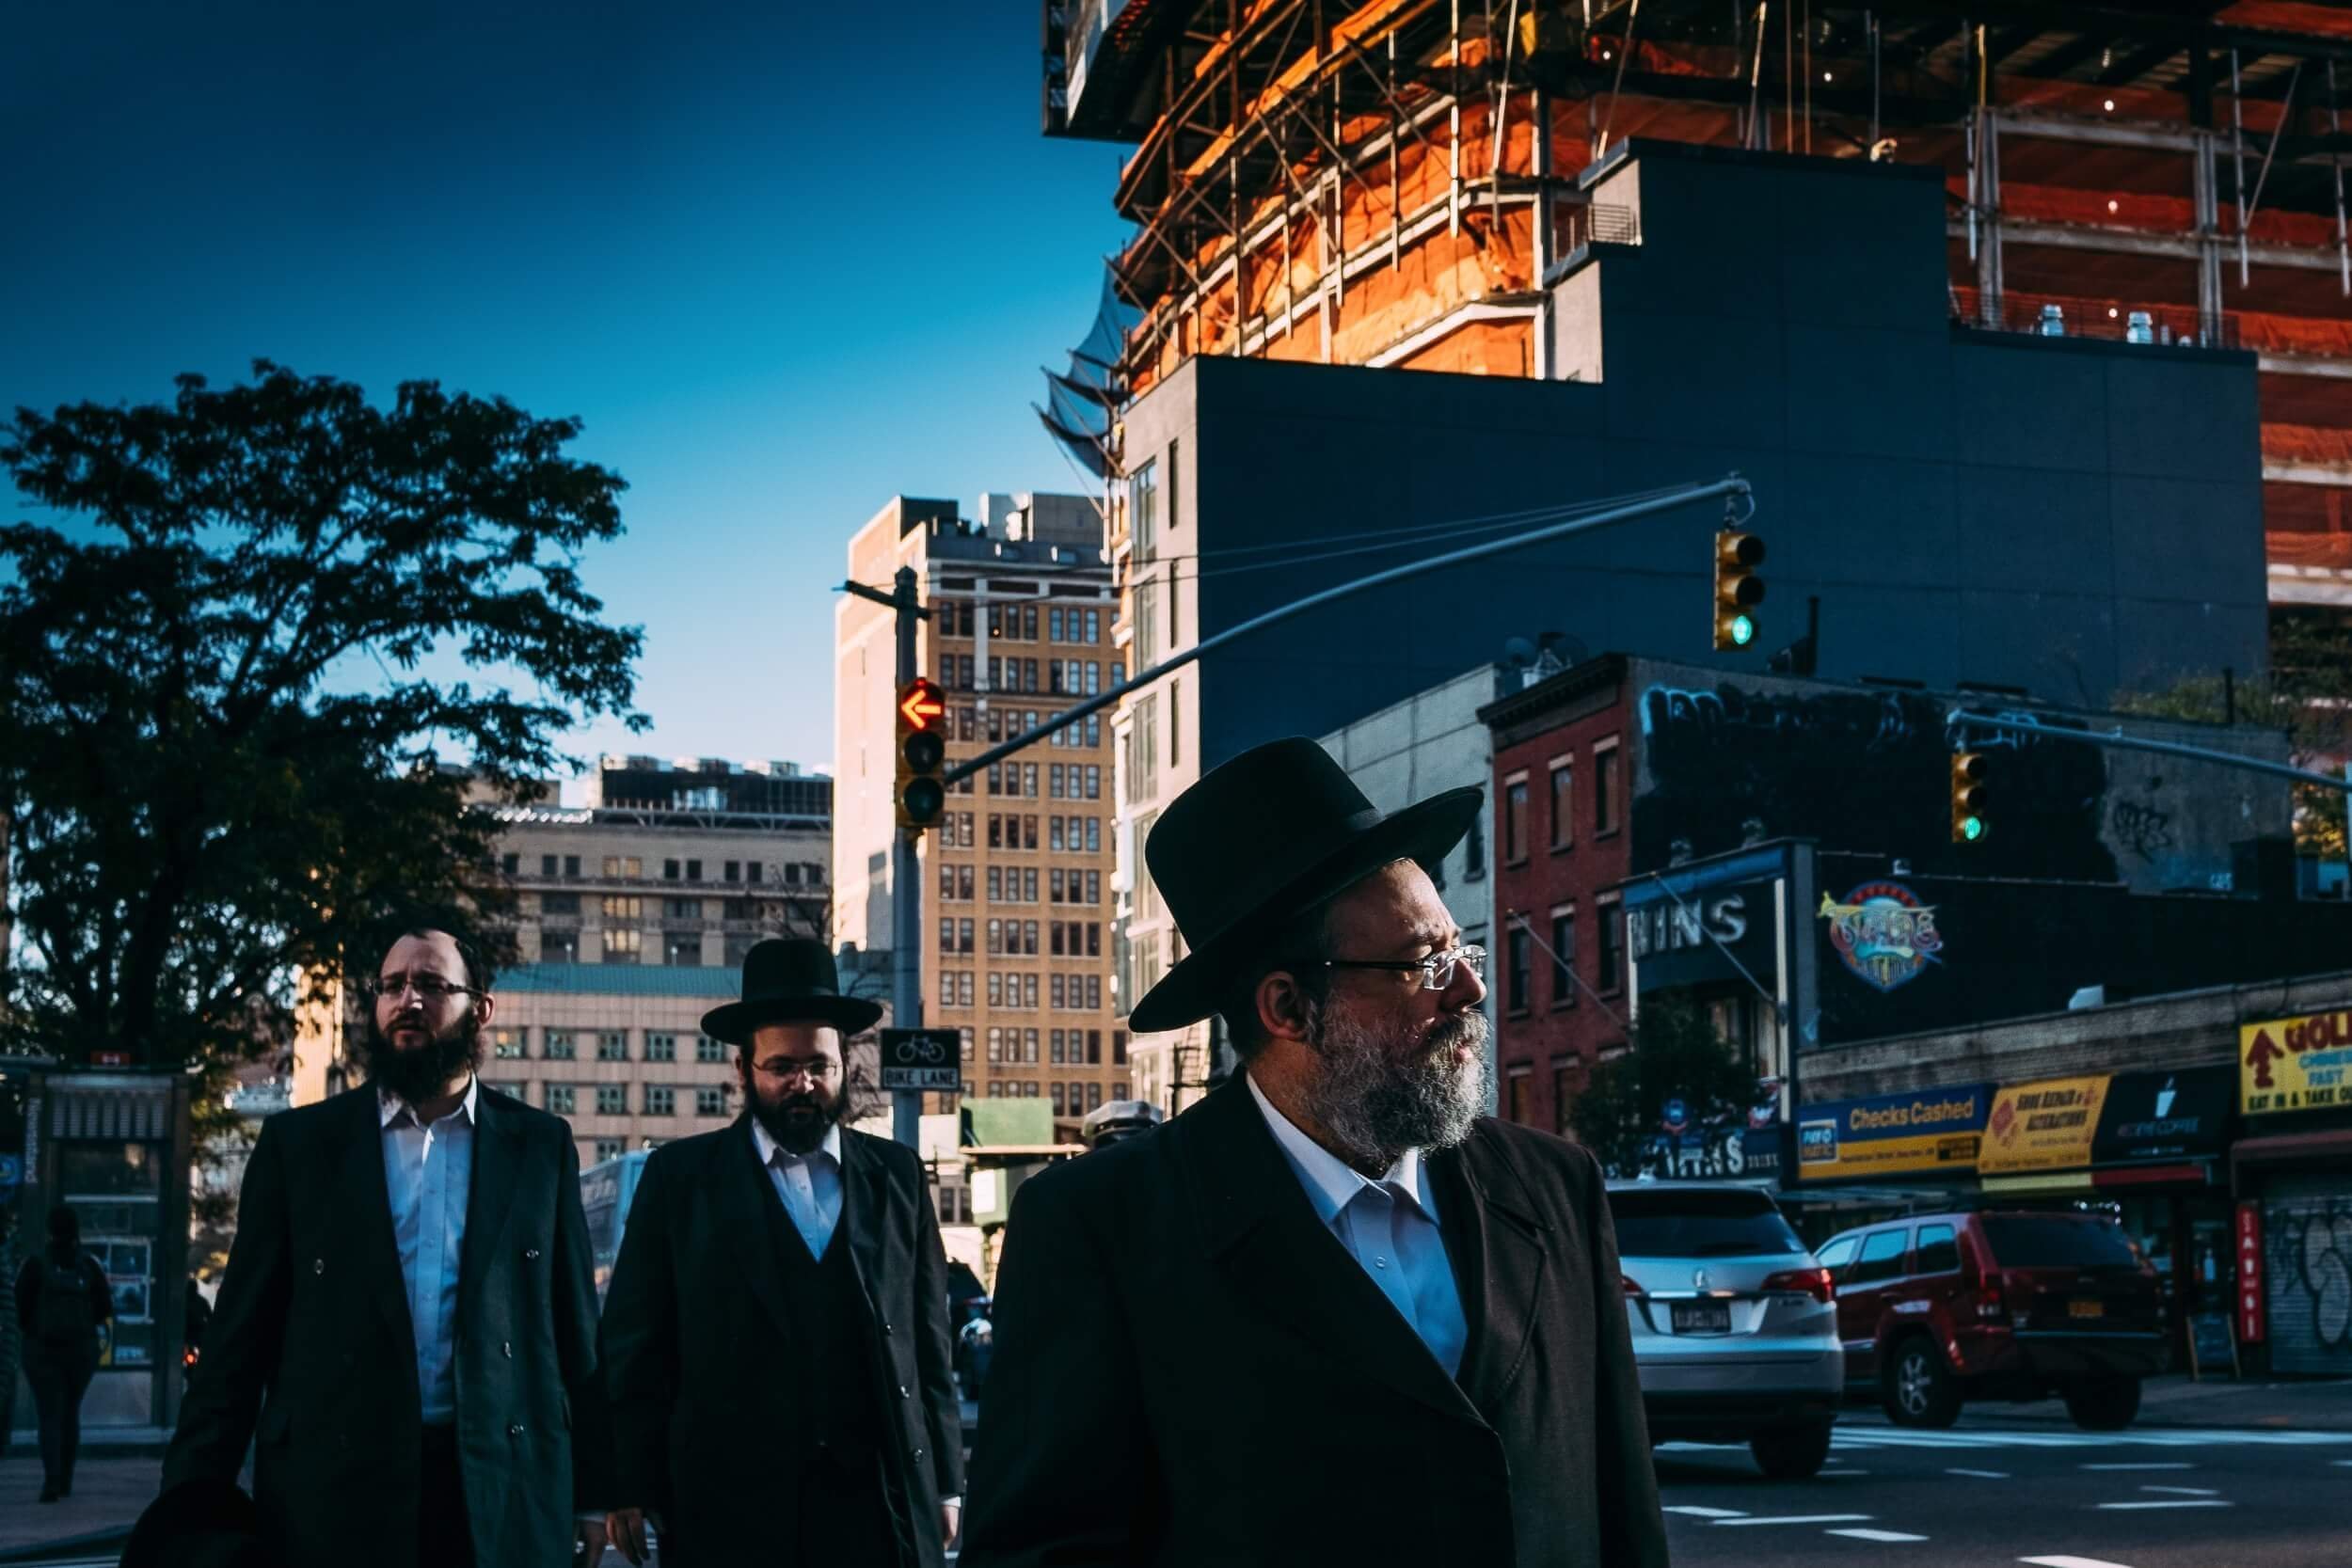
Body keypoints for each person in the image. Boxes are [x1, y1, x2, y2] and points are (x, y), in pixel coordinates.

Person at [963, 738, 1669, 1568]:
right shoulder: (1105, 1228)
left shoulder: (1556, 1189)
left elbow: (1623, 1515)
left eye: (1462, 950)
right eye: (1423, 963)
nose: (1471, 989)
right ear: (1289, 1007)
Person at [161, 927, 611, 1568]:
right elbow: (237, 1341)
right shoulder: (301, 1146)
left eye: (431, 984)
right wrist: (187, 1504)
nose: (409, 1000)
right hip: (334, 1491)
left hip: (495, 1493)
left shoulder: (539, 1146)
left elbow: (574, 1333)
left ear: (480, 1008)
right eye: (393, 985)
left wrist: (595, 1493)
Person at [599, 937, 964, 1568]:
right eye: (783, 1066)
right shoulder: (680, 1180)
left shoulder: (896, 1174)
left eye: (820, 1065)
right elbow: (636, 1343)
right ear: (744, 1070)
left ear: (845, 1066)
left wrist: (946, 1479)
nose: (804, 1083)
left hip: (874, 1509)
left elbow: (928, 1338)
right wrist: (624, 1481)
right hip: (731, 1510)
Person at [16, 1205, 113, 1502]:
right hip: (81, 1351)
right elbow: (105, 1308)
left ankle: (52, 1481)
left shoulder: (36, 1265)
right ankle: (66, 1479)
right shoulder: (88, 1266)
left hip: (43, 1351)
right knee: (70, 1412)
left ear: (49, 1230)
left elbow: (21, 1306)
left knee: (49, 1414)